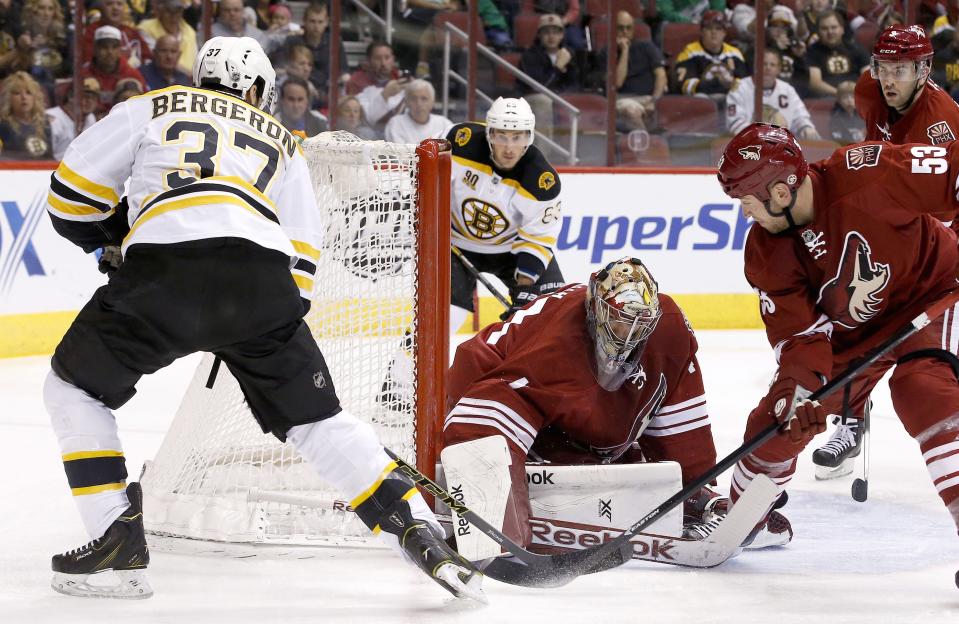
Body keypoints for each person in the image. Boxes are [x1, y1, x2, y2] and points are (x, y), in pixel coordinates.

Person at [42, 35, 484, 603]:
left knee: (74, 389)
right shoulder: (282, 140)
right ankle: (417, 526)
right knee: (319, 422)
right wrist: (254, 330)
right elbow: (302, 260)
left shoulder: (152, 104)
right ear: (255, 89)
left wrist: (112, 240)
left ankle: (114, 539)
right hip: (262, 285)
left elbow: (70, 195)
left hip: (162, 271)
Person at [716, 122, 959, 548]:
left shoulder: (868, 171)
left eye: (746, 200)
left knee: (922, 388)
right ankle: (742, 519)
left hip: (934, 292)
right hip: (856, 339)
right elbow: (802, 340)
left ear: (779, 192)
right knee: (776, 423)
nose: (744, 213)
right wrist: (796, 395)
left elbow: (952, 173)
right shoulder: (765, 252)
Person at [442, 256, 789, 549]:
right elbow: (487, 399)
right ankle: (489, 512)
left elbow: (681, 417)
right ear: (595, 308)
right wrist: (495, 516)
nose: (629, 334)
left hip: (582, 429)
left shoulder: (668, 330)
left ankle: (693, 500)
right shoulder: (555, 343)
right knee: (490, 427)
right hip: (487, 389)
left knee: (640, 461)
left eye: (639, 325)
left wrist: (694, 484)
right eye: (620, 321)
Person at [810, 24, 959, 479]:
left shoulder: (944, 125)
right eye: (883, 67)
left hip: (940, 250)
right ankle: (852, 423)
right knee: (853, 320)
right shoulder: (869, 90)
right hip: (892, 232)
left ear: (925, 69)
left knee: (926, 356)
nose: (888, 79)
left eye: (901, 69)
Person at [447, 97, 564, 330]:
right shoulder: (461, 143)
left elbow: (537, 238)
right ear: (490, 134)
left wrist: (525, 290)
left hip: (510, 250)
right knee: (448, 317)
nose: (509, 148)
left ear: (528, 137)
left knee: (554, 312)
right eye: (502, 136)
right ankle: (403, 366)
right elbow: (427, 183)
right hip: (454, 244)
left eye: (517, 137)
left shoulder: (541, 180)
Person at [594, 10, 665, 133]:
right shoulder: (606, 52)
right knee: (631, 110)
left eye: (629, 28)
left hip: (649, 98)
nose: (625, 32)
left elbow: (661, 75)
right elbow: (617, 83)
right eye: (620, 28)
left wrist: (655, 100)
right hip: (622, 99)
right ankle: (647, 145)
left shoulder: (646, 47)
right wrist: (625, 51)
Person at [726, 48, 819, 138]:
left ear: (779, 69)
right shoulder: (740, 88)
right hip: (749, 146)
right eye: (764, 64)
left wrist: (806, 128)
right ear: (756, 66)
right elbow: (735, 123)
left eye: (772, 65)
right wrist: (763, 136)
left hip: (783, 148)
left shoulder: (787, 90)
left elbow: (800, 117)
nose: (768, 68)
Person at [518, 13, 582, 140]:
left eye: (556, 32)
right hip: (532, 100)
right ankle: (544, 155)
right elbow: (539, 88)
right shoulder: (530, 56)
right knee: (544, 100)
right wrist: (557, 68)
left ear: (562, 35)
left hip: (559, 98)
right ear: (540, 35)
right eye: (546, 32)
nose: (551, 37)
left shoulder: (570, 54)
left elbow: (576, 85)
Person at [675, 10, 748, 102]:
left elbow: (745, 85)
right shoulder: (690, 52)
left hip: (729, 99)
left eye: (718, 29)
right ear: (701, 31)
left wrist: (730, 84)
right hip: (704, 99)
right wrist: (719, 84)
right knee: (700, 98)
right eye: (709, 28)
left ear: (724, 33)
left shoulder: (734, 54)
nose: (714, 32)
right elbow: (685, 85)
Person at [346, 40, 408, 133]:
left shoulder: (401, 77)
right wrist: (385, 94)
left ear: (393, 59)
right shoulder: (357, 81)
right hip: (369, 136)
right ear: (369, 61)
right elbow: (367, 119)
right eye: (378, 58)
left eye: (387, 58)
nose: (383, 63)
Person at [80, 25, 146, 114]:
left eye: (114, 47)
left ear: (120, 50)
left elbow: (145, 104)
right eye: (104, 47)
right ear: (95, 49)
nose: (110, 52)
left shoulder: (132, 74)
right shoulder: (84, 74)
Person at [806, 10, 870, 97]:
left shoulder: (856, 48)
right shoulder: (812, 51)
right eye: (824, 28)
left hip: (857, 95)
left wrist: (855, 94)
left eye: (834, 27)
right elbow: (815, 83)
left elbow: (868, 77)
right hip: (827, 98)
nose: (830, 32)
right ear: (818, 31)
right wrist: (842, 95)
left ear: (842, 29)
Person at [81, 0, 152, 70]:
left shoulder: (132, 32)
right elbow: (88, 64)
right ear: (101, 8)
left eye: (119, 4)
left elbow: (148, 59)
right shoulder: (92, 32)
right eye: (109, 4)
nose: (115, 8)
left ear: (124, 9)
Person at [136, 0, 197, 76]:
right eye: (169, 12)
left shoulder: (190, 31)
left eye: (177, 12)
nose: (174, 17)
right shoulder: (146, 28)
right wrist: (191, 76)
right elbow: (160, 60)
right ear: (160, 12)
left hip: (189, 82)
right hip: (159, 78)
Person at [0, 69, 51, 158]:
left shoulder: (45, 124)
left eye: (28, 93)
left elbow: (50, 157)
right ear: (9, 98)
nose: (24, 97)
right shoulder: (3, 126)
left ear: (35, 98)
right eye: (17, 93)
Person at [46, 77, 100, 160]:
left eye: (94, 98)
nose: (89, 101)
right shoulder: (52, 117)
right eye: (85, 96)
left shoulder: (90, 118)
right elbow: (44, 155)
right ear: (71, 97)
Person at [383, 79, 451, 144]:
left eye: (424, 99)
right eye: (413, 99)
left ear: (432, 103)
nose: (419, 103)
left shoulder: (444, 124)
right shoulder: (396, 124)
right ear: (407, 102)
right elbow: (399, 154)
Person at [276, 75, 327, 140]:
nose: (296, 105)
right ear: (282, 100)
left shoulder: (320, 124)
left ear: (307, 101)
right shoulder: (273, 123)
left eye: (300, 99)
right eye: (291, 99)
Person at [829, 79, 866, 144]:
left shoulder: (862, 114)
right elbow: (837, 138)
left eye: (852, 97)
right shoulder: (835, 118)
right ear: (839, 100)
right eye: (845, 97)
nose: (849, 100)